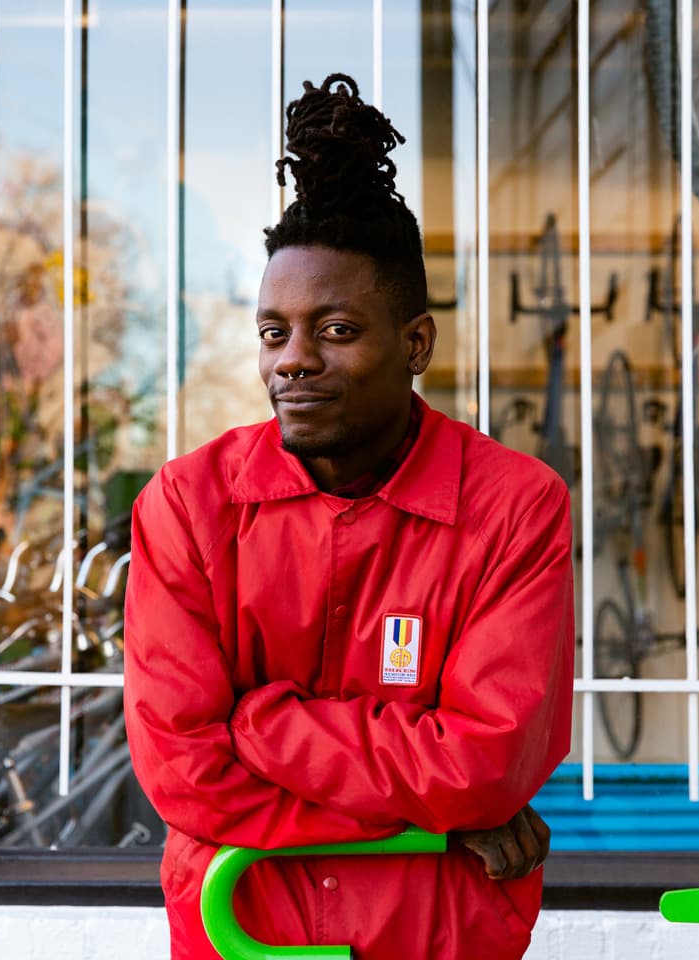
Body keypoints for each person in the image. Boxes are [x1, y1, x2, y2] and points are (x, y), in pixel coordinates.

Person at [124, 74, 574, 959]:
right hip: (237, 930)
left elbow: (485, 763)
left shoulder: (514, 508)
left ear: (415, 344)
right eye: (273, 332)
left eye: (334, 330)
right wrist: (437, 821)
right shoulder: (187, 505)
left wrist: (261, 724)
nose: (293, 361)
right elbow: (183, 771)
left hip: (438, 936)